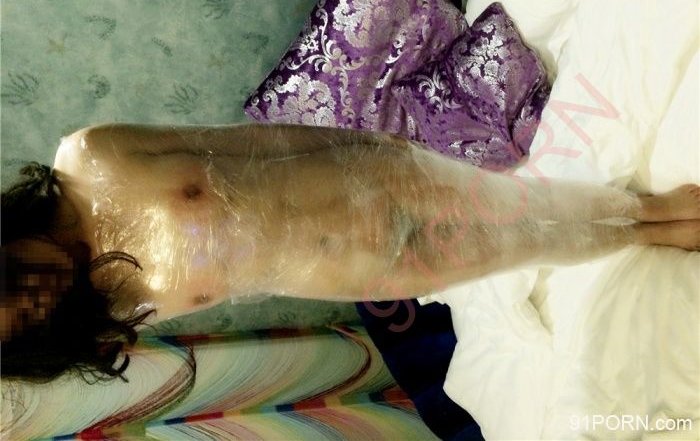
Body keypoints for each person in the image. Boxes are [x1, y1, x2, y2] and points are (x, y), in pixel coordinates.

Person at [1, 122, 699, 384]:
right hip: (356, 269)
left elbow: (244, 142)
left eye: (16, 278)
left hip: (365, 182)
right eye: (29, 315)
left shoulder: (92, 156)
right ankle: (646, 227)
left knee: (520, 210)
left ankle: (655, 212)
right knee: (519, 244)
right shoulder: (102, 310)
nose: (40, 293)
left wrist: (369, 147)